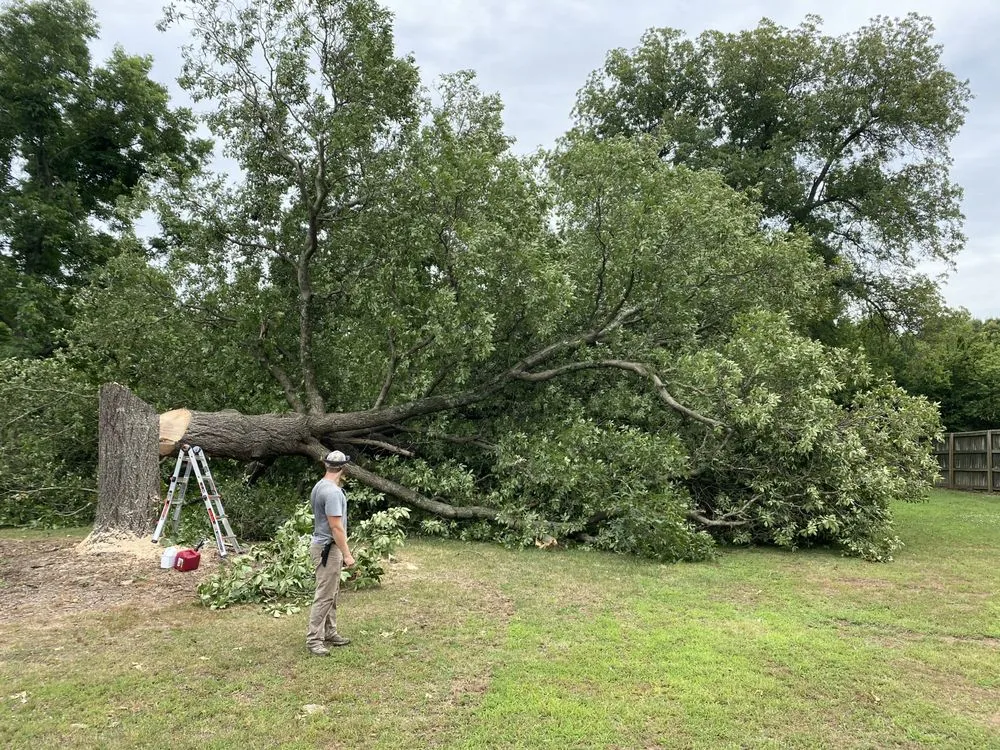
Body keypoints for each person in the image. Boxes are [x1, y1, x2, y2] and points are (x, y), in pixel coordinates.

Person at [305, 450, 356, 656]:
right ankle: (314, 640)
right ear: (343, 468)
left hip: (323, 545)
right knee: (325, 595)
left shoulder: (320, 486)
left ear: (326, 466)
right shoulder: (333, 492)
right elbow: (336, 527)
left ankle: (330, 632)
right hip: (328, 548)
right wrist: (347, 554)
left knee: (331, 593)